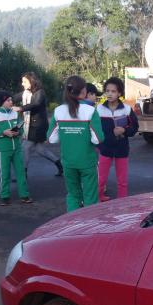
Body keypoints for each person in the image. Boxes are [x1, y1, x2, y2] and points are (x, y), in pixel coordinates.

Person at [47, 76, 104, 211]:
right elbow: (98, 139)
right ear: (84, 91)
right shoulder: (90, 111)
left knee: (73, 196)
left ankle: (73, 229)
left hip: (68, 162)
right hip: (87, 162)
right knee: (90, 197)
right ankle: (89, 229)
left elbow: (51, 138)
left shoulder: (58, 111)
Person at [96, 76, 139, 201]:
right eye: (107, 91)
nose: (109, 94)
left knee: (122, 180)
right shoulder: (99, 109)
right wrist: (100, 145)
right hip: (105, 148)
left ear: (119, 93)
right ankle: (98, 198)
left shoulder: (126, 109)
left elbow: (134, 127)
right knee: (101, 179)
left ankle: (122, 203)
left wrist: (124, 130)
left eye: (113, 91)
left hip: (122, 148)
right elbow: (95, 129)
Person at [12, 72, 63, 177]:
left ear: (32, 81)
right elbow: (13, 98)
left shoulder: (40, 92)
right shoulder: (26, 93)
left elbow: (36, 104)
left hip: (38, 126)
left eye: (24, 81)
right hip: (31, 125)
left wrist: (20, 108)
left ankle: (22, 174)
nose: (22, 84)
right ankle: (59, 164)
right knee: (40, 150)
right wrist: (0, 102)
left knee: (25, 147)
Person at [0, 91, 32, 205]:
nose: (11, 102)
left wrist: (18, 132)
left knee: (21, 172)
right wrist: (4, 132)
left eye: (11, 100)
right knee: (5, 173)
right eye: (8, 100)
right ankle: (5, 196)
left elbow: (20, 128)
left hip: (17, 147)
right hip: (4, 149)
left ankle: (24, 195)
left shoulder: (14, 113)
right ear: (2, 102)